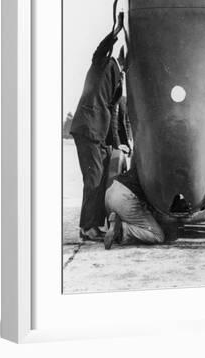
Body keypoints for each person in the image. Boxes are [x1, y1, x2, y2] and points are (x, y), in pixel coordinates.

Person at [70, 14, 125, 241]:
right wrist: (115, 32)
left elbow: (112, 115)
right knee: (93, 179)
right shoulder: (104, 64)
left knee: (100, 178)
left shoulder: (118, 79)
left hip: (98, 133)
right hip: (88, 129)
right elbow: (98, 53)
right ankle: (87, 227)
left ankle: (94, 224)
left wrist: (119, 144)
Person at [104, 165, 165, 249]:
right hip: (125, 199)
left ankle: (117, 220)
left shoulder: (149, 156)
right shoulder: (167, 167)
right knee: (158, 236)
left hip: (112, 191)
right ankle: (122, 229)